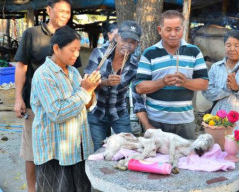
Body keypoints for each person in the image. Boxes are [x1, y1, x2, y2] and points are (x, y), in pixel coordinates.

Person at [14, 0, 80, 192]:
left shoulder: (71, 37)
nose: (64, 15)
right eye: (60, 11)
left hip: (62, 105)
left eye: (68, 12)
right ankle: (32, 189)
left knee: (60, 151)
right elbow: (21, 66)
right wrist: (18, 98)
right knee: (32, 152)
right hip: (36, 106)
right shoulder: (32, 34)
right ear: (49, 10)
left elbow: (75, 71)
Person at [30, 26, 100, 192]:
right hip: (55, 151)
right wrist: (85, 91)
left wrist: (90, 92)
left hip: (78, 148)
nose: (76, 54)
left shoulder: (74, 72)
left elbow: (86, 105)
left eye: (78, 49)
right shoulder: (44, 75)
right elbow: (58, 113)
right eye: (72, 50)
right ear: (56, 48)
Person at [135, 10, 209, 140]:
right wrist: (162, 82)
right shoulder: (149, 53)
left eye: (177, 29)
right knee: (156, 159)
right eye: (168, 29)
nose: (173, 34)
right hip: (155, 121)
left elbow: (204, 83)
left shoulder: (194, 51)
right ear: (160, 30)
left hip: (185, 121)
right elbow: (139, 87)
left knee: (185, 157)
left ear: (183, 29)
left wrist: (185, 82)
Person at [84, 20, 147, 151]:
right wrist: (105, 82)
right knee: (100, 151)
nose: (127, 45)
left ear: (137, 44)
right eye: (124, 40)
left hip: (119, 112)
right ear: (117, 37)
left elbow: (137, 97)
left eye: (132, 42)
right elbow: (86, 84)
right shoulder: (100, 54)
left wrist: (147, 125)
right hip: (96, 112)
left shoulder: (135, 65)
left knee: (128, 149)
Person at [202, 30, 239, 129]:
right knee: (217, 145)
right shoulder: (216, 68)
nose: (232, 49)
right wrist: (225, 90)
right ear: (224, 46)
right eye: (228, 45)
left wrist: (237, 89)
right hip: (217, 125)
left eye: (236, 45)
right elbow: (207, 94)